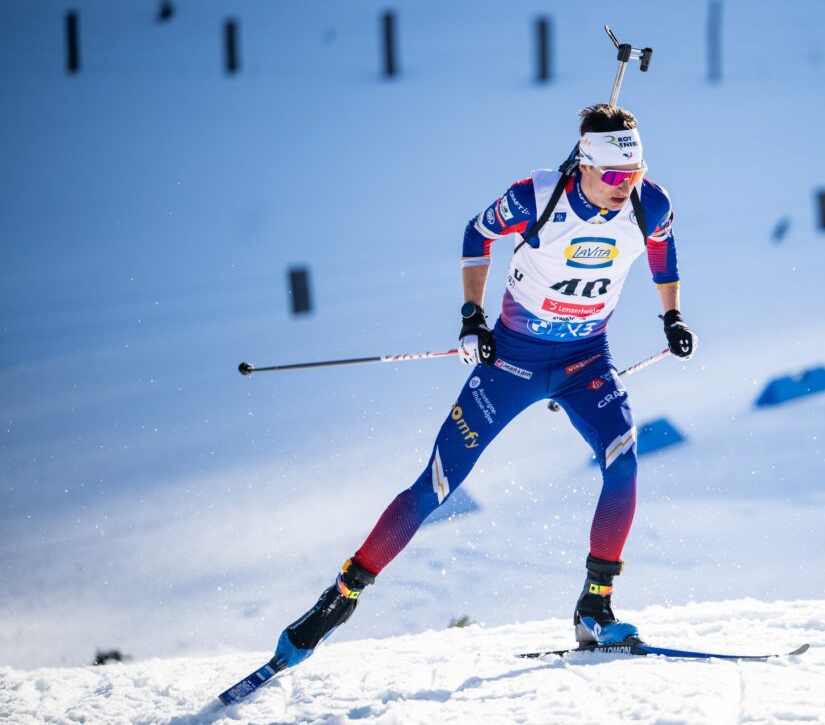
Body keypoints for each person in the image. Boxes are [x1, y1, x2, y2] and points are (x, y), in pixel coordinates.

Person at [272, 103, 697, 667]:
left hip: (586, 361)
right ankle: (338, 600)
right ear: (584, 166)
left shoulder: (651, 204)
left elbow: (663, 253)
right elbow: (478, 232)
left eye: (635, 174)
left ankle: (595, 609)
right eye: (615, 175)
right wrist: (472, 317)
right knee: (436, 486)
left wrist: (672, 317)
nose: (626, 187)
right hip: (513, 362)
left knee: (623, 463)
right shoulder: (537, 196)